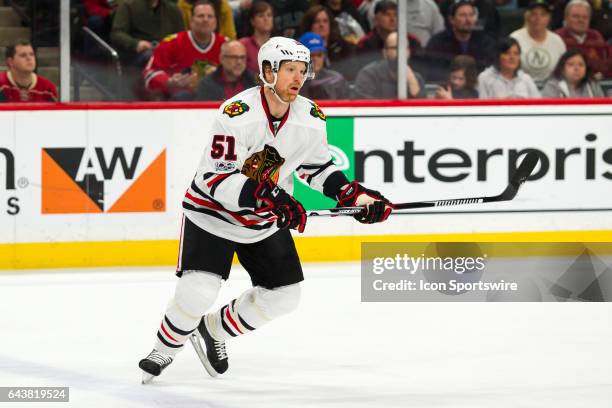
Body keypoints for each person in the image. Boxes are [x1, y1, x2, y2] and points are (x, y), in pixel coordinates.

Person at [138, 36, 392, 383]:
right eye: (290, 70)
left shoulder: (311, 118)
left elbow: (316, 169)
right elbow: (217, 179)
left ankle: (214, 331)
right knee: (197, 292)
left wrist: (357, 198)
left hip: (262, 221)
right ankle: (164, 349)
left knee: (286, 296)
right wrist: (274, 198)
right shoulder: (235, 115)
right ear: (267, 71)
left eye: (302, 71)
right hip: (212, 215)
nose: (298, 79)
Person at [143, 0, 227, 100]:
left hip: (219, 103)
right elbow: (150, 74)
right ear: (191, 21)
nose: (205, 20)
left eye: (210, 16)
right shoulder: (171, 43)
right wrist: (169, 82)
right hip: (178, 104)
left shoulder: (226, 45)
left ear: (215, 22)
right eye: (201, 16)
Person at [424, 0, 496, 82]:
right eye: (463, 15)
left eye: (471, 15)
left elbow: (490, 71)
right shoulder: (437, 42)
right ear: (451, 19)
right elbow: (433, 72)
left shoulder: (485, 42)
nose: (468, 20)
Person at [111, 0, 184, 67]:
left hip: (165, 52)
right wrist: (136, 44)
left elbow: (180, 38)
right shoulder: (128, 5)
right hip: (138, 54)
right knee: (151, 57)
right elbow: (117, 33)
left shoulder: (173, 10)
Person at [354, 31, 426, 99]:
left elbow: (423, 110)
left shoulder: (416, 78)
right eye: (395, 48)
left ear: (409, 52)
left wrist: (412, 83)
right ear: (385, 53)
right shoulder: (368, 75)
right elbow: (366, 107)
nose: (400, 52)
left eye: (404, 48)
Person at [510, 0, 566, 82]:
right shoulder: (515, 38)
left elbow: (563, 69)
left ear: (549, 18)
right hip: (520, 86)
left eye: (543, 14)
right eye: (534, 14)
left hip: (551, 87)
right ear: (527, 17)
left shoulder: (557, 41)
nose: (538, 18)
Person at [554, 0, 607, 77]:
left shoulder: (596, 36)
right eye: (576, 16)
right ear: (566, 18)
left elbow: (604, 65)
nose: (581, 20)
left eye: (585, 17)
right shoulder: (557, 37)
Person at [298, 32, 350, 99]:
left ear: (324, 56)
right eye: (311, 55)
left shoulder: (336, 80)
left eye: (319, 55)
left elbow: (347, 107)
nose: (315, 59)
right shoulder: (291, 81)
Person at [239, 0, 274, 75]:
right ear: (252, 21)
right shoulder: (243, 44)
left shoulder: (280, 45)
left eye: (269, 15)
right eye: (261, 16)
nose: (266, 19)